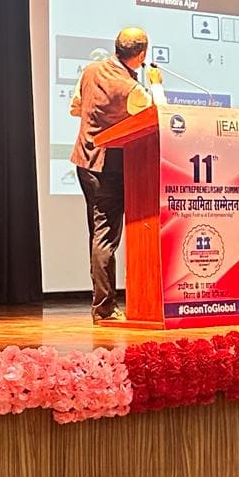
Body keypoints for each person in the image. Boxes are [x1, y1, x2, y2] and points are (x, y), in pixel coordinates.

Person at [70, 27, 162, 322]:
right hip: (108, 168)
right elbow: (159, 115)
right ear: (142, 55)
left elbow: (76, 108)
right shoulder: (132, 89)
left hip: (85, 162)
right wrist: (155, 83)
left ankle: (103, 304)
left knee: (98, 233)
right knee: (105, 236)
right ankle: (104, 309)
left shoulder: (90, 70)